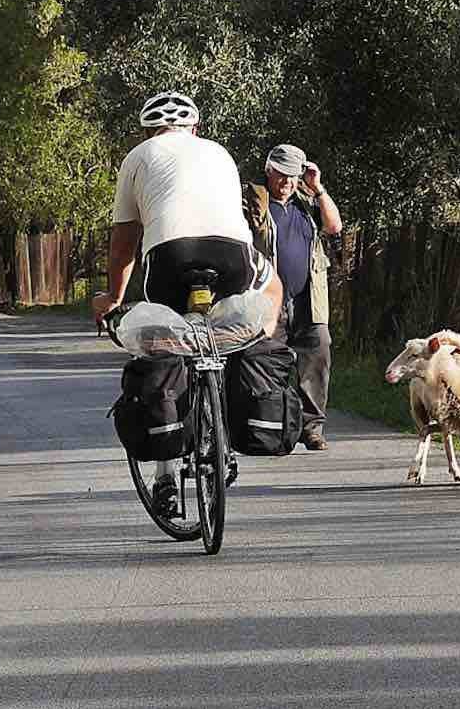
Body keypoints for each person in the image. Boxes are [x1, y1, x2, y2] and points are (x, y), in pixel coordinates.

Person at [93, 91, 283, 514]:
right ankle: (245, 368)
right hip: (232, 256)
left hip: (169, 258)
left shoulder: (137, 157)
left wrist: (113, 298)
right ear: (195, 129)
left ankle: (165, 474)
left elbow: (123, 247)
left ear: (148, 131)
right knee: (272, 294)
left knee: (165, 342)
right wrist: (261, 327)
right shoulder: (219, 153)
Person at [243, 144, 342, 451]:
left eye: (292, 176)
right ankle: (272, 427)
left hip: (307, 300)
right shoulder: (253, 202)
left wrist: (318, 188)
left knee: (319, 350)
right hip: (269, 301)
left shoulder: (307, 203)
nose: (286, 182)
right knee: (268, 362)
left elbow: (334, 226)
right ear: (269, 171)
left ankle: (311, 428)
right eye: (281, 175)